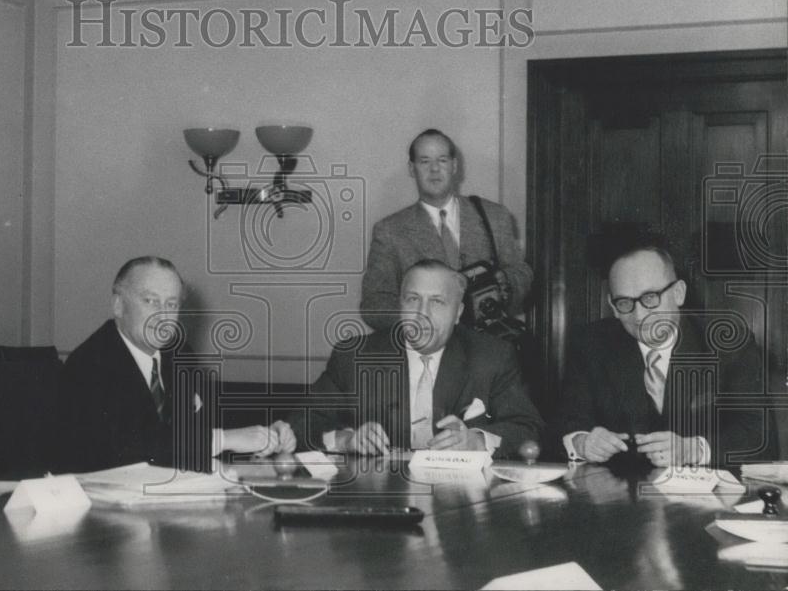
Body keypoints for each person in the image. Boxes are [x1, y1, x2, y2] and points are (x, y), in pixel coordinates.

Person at [59, 256, 296, 473]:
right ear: (118, 305)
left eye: (171, 304)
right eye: (150, 301)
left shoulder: (177, 352)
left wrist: (267, 431)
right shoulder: (90, 363)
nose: (162, 316)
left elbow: (211, 416)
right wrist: (224, 439)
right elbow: (131, 444)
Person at [300, 259, 542, 456]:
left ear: (458, 312)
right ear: (400, 304)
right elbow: (303, 425)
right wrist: (347, 440)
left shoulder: (493, 356)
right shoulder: (354, 356)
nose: (422, 314)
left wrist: (476, 441)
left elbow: (528, 429)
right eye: (413, 299)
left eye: (437, 302)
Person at [555, 245, 767, 468]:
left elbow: (760, 433)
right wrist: (582, 442)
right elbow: (564, 422)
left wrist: (694, 450)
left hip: (705, 496)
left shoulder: (727, 344)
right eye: (625, 302)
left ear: (678, 293)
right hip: (621, 493)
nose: (639, 315)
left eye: (650, 297)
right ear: (613, 307)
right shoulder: (591, 344)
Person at [360, 128, 532, 332]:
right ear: (411, 168)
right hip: (427, 351)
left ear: (454, 166)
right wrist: (425, 316)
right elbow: (373, 305)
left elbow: (523, 274)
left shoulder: (495, 216)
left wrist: (505, 283)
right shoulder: (389, 230)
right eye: (424, 161)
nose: (434, 169)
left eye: (442, 160)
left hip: (489, 349)